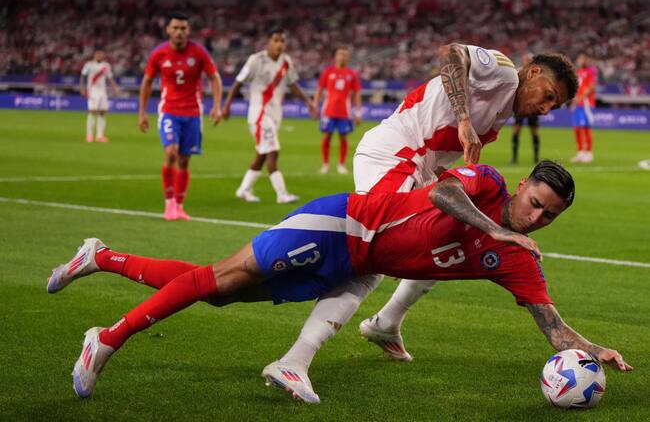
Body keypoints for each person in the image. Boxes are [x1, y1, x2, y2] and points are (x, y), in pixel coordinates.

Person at [47, 161, 633, 402]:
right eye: (536, 202)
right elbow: (441, 193)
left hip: (350, 263)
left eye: (548, 215)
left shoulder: (519, 261)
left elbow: (551, 327)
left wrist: (591, 349)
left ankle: (100, 257)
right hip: (343, 222)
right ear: (524, 186)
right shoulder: (486, 185)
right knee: (221, 277)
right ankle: (108, 338)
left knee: (218, 290)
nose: (536, 217)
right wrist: (497, 228)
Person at [263, 44, 579, 397]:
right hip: (395, 154)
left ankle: (387, 322)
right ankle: (294, 360)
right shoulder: (505, 72)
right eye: (549, 96)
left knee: (448, 238)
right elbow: (450, 54)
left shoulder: (503, 109)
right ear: (533, 72)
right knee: (370, 261)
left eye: (555, 105)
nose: (547, 108)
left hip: (420, 167)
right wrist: (462, 118)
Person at [138, 12, 223, 221]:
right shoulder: (159, 54)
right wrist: (142, 112)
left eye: (183, 28)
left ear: (188, 31)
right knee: (171, 152)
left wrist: (217, 105)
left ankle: (179, 204)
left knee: (184, 160)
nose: (179, 32)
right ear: (168, 30)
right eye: (175, 28)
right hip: (169, 110)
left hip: (193, 112)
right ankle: (168, 204)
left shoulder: (198, 52)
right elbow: (147, 82)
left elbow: (215, 77)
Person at [222, 28, 318, 204]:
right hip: (259, 115)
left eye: (282, 41)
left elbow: (293, 85)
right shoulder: (256, 60)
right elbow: (238, 82)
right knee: (273, 152)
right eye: (276, 40)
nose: (279, 44)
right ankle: (282, 194)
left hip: (275, 115)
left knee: (262, 154)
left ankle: (243, 189)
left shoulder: (286, 61)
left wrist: (308, 103)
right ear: (269, 42)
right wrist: (227, 105)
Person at [314, 46, 362, 174]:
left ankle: (341, 165)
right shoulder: (328, 72)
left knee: (343, 138)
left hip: (344, 112)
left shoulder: (351, 74)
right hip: (328, 110)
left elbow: (357, 94)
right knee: (327, 136)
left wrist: (357, 112)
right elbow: (319, 90)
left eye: (345, 54)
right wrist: (315, 105)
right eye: (340, 54)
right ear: (336, 56)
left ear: (348, 57)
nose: (342, 56)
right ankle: (325, 164)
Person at [80, 49, 121, 143]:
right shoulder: (89, 65)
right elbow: (82, 76)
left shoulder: (106, 66)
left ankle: (99, 136)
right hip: (92, 91)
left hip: (102, 92)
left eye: (101, 54)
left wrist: (115, 88)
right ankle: (89, 135)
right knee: (93, 111)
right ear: (94, 55)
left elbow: (110, 78)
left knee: (102, 112)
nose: (99, 55)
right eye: (97, 54)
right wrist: (82, 88)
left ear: (103, 55)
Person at [511, 53, 540, 164]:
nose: (526, 61)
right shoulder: (519, 72)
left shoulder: (538, 74)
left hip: (533, 106)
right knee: (516, 131)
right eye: (525, 59)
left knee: (534, 132)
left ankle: (536, 157)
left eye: (528, 60)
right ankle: (514, 158)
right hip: (521, 106)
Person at [571, 54, 598, 163]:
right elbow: (578, 88)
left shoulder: (591, 71)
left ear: (586, 60)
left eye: (582, 59)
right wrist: (574, 101)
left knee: (585, 128)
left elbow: (591, 86)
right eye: (579, 59)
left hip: (586, 103)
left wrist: (581, 97)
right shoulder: (578, 72)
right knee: (576, 128)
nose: (580, 61)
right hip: (578, 103)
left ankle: (588, 152)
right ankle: (580, 152)